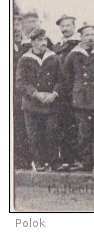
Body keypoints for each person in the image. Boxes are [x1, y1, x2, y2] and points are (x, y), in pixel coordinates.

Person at [61, 23, 94, 173]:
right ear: (81, 37)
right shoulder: (74, 54)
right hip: (81, 98)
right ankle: (86, 162)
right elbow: (67, 77)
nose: (90, 38)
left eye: (92, 34)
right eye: (87, 35)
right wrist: (74, 93)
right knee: (83, 133)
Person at [15, 27, 62, 171]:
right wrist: (35, 94)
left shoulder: (54, 58)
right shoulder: (24, 60)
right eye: (40, 40)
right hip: (32, 104)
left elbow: (61, 79)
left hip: (50, 103)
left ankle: (54, 162)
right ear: (33, 42)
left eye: (44, 39)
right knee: (34, 135)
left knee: (52, 133)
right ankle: (39, 162)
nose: (43, 42)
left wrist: (54, 93)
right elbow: (20, 83)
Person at [52, 14, 82, 171]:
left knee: (74, 126)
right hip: (61, 92)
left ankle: (76, 159)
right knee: (62, 126)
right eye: (62, 26)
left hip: (74, 90)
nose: (65, 29)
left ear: (74, 26)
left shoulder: (78, 45)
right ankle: (66, 159)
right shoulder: (57, 46)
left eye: (68, 25)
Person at [13, 14, 33, 170]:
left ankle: (25, 161)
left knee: (25, 128)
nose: (14, 28)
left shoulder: (28, 46)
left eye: (17, 24)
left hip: (25, 93)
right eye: (11, 24)